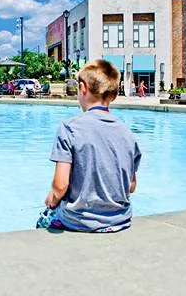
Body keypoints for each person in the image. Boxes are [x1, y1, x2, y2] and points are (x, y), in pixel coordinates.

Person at [38, 59, 140, 233]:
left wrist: (52, 200)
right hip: (120, 220)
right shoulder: (127, 133)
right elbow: (131, 185)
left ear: (83, 88)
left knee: (44, 221)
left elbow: (60, 186)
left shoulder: (69, 127)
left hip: (78, 221)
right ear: (114, 95)